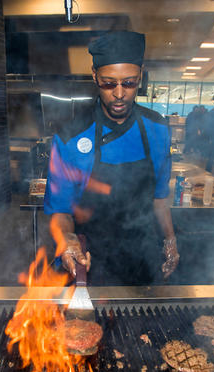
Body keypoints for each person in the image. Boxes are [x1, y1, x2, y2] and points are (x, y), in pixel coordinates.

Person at [44, 30, 179, 286]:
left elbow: (160, 198)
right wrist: (67, 239)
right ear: (94, 76)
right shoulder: (69, 137)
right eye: (108, 83)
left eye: (129, 83)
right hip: (91, 259)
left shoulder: (158, 129)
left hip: (144, 255)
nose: (119, 93)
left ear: (141, 75)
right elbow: (61, 210)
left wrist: (170, 240)